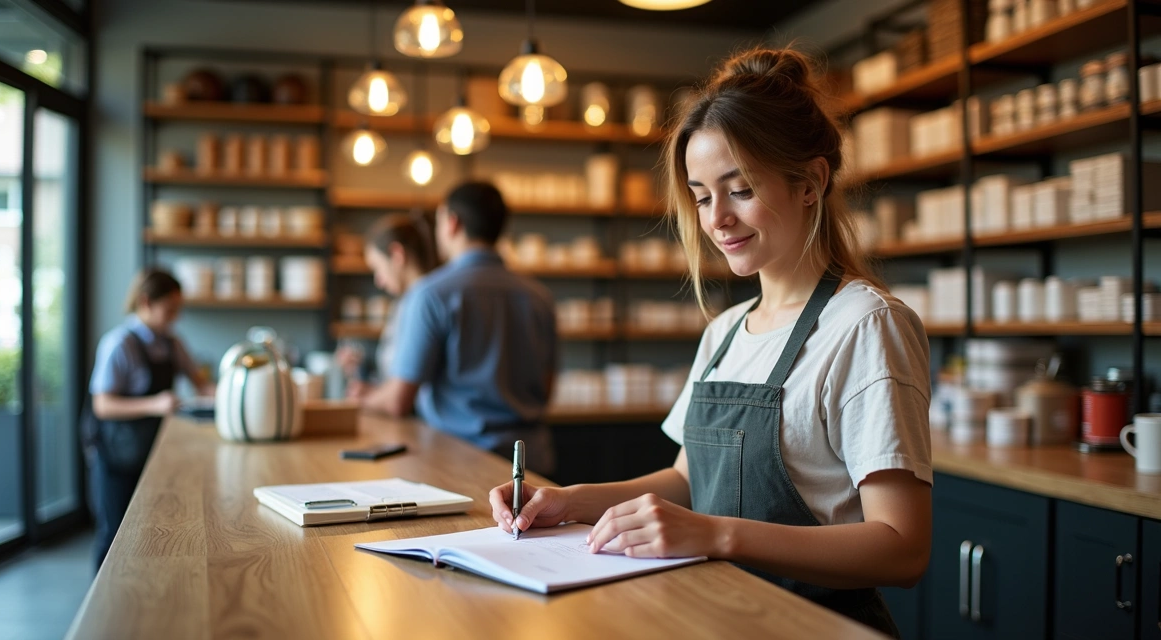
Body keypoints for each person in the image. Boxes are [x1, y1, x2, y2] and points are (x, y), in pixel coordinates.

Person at [489, 47, 932, 637]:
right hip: (718, 615)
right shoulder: (725, 331)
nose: (717, 217)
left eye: (739, 188)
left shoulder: (866, 325)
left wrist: (718, 533)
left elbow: (902, 549)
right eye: (701, 196)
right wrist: (569, 500)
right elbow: (689, 479)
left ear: (811, 182)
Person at [360, 181, 559, 476]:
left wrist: (360, 399)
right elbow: (546, 388)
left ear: (452, 223)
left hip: (460, 462)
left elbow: (398, 399)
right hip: (532, 462)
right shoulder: (539, 296)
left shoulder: (431, 294)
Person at [84, 268, 212, 569]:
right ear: (145, 302)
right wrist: (154, 404)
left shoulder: (171, 342)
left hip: (154, 456)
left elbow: (201, 384)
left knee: (150, 534)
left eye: (177, 310)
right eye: (169, 310)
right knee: (113, 536)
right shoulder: (118, 344)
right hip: (116, 456)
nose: (174, 318)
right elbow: (102, 405)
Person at [337, 212, 438, 401]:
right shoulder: (405, 303)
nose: (379, 281)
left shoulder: (424, 302)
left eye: (377, 267)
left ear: (396, 254)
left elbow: (403, 398)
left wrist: (367, 397)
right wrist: (363, 368)